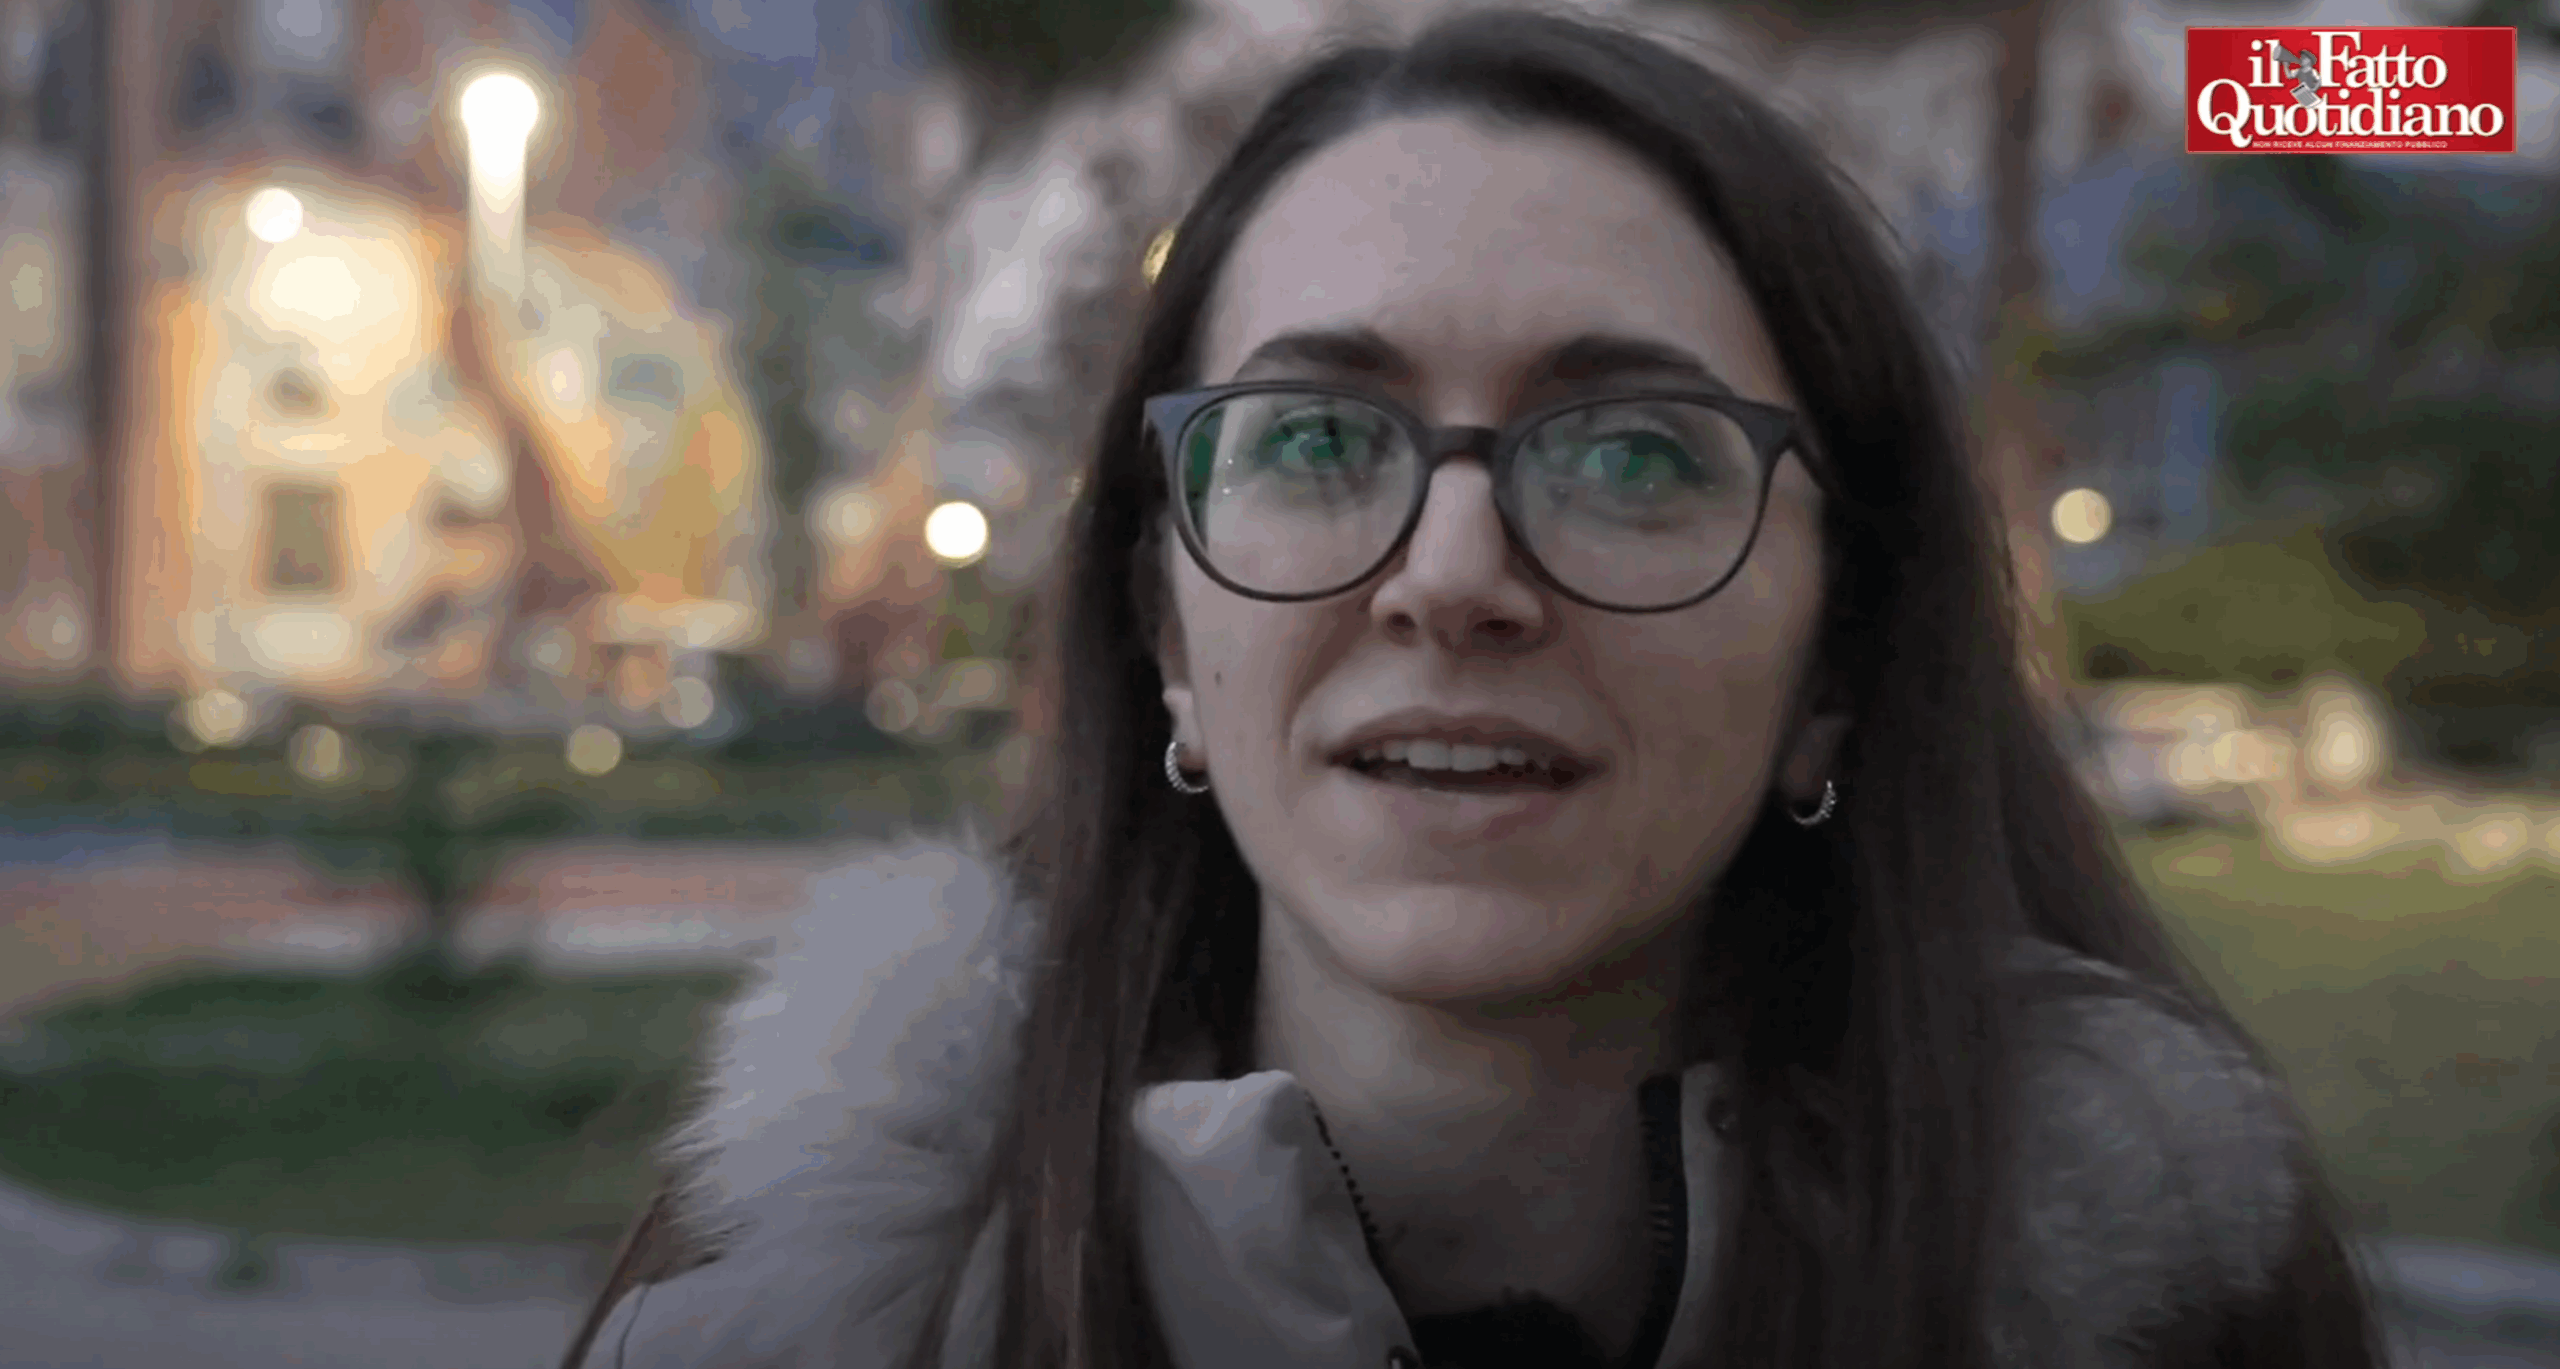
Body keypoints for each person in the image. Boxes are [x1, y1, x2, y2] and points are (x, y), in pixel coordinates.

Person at [562, 9, 2388, 1368]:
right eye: (1313, 437)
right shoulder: (777, 1338)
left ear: (1838, 665)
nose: (1449, 577)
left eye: (1635, 454)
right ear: (1170, 646)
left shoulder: (2183, 1325)